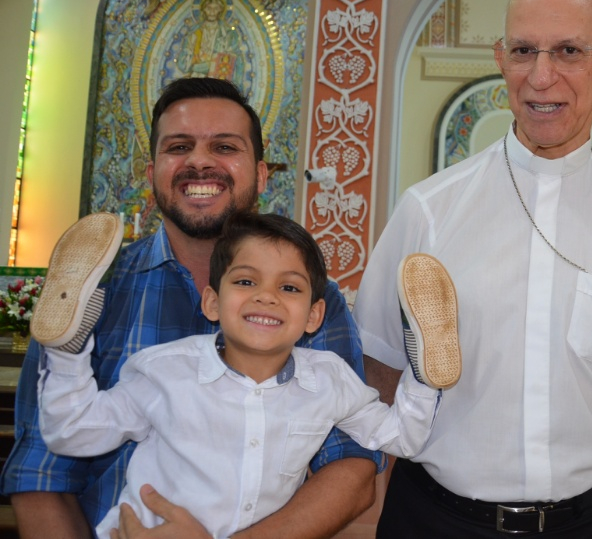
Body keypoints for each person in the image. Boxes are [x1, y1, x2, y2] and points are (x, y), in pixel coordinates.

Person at [355, 0, 592, 537]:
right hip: (438, 518)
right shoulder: (429, 209)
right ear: (501, 58)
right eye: (523, 50)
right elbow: (380, 369)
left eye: (568, 51)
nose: (542, 75)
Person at [1, 77, 383, 538]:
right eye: (179, 146)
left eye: (224, 147)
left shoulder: (313, 305)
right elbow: (41, 473)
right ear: (152, 174)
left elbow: (351, 467)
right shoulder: (89, 294)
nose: (199, 161)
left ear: (261, 175)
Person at [31, 211, 456, 539]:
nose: (266, 296)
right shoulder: (165, 371)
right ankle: (68, 330)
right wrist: (67, 356)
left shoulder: (329, 380)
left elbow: (400, 437)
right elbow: (73, 431)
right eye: (246, 281)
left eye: (289, 287)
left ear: (314, 315)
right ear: (212, 303)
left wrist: (423, 378)